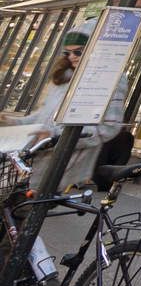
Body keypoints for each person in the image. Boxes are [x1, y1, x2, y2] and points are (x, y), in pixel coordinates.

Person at [20, 22, 129, 191]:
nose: (71, 57)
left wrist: (57, 137)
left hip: (65, 161)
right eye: (67, 52)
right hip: (35, 154)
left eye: (78, 51)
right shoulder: (65, 77)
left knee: (22, 208)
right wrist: (14, 122)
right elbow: (44, 115)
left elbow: (109, 126)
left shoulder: (111, 79)